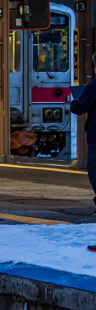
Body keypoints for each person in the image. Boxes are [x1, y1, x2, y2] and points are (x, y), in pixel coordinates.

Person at [69, 59, 96, 211]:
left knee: (94, 169)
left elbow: (79, 108)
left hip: (95, 135)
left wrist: (74, 101)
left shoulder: (93, 87)